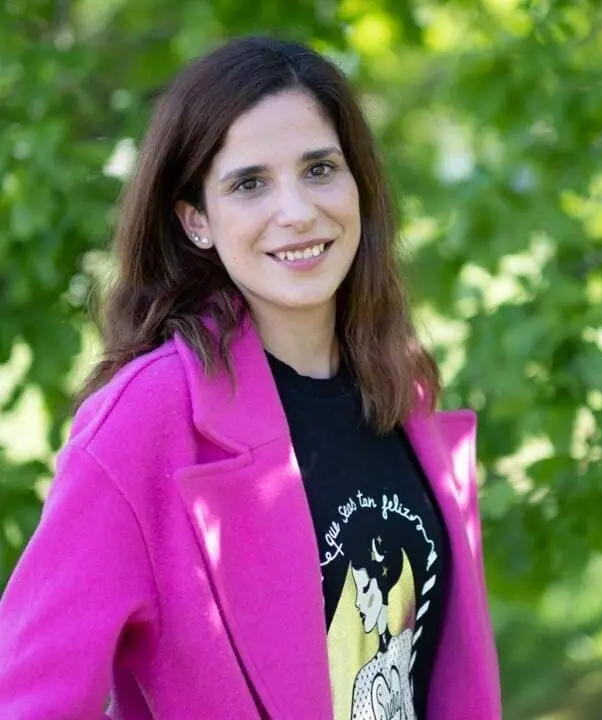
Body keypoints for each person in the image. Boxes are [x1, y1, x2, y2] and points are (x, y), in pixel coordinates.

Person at [0, 35, 501, 719]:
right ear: (196, 221)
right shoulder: (147, 419)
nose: (296, 211)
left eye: (319, 169)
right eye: (249, 184)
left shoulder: (401, 384)